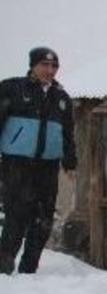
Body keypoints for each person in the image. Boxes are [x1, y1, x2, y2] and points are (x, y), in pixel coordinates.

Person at [0, 47, 77, 275]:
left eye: (54, 66)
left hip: (48, 167)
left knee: (43, 221)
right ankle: (3, 270)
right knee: (16, 218)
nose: (50, 70)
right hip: (16, 164)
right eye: (45, 65)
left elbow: (67, 134)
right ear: (33, 65)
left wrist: (70, 163)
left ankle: (29, 271)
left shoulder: (61, 98)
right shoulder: (12, 89)